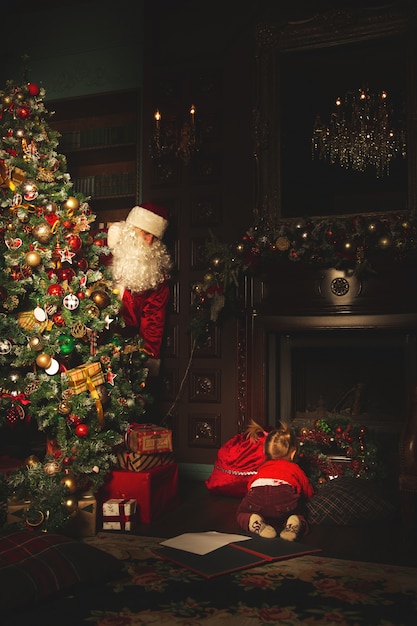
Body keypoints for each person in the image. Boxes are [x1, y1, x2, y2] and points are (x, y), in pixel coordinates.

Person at [107, 203, 173, 377]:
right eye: (145, 233)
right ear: (131, 229)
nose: (149, 241)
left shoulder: (157, 277)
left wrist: (149, 362)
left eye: (155, 237)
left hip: (122, 348)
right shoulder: (102, 253)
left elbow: (153, 321)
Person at [236, 421, 314, 541]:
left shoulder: (262, 467)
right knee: (299, 513)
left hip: (257, 497)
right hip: (284, 499)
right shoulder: (294, 468)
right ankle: (294, 524)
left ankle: (255, 522)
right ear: (293, 454)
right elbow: (308, 491)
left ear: (265, 452)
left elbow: (250, 485)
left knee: (241, 513)